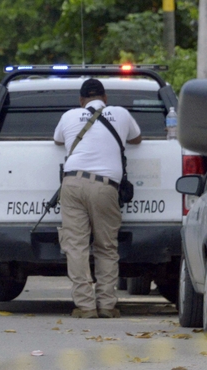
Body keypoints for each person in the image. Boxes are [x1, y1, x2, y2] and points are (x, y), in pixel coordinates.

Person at [53, 78, 142, 319]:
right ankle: (106, 305)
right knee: (106, 247)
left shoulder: (69, 115)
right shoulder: (121, 113)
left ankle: (85, 306)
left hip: (72, 183)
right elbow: (137, 139)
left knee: (76, 247)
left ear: (81, 100)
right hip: (105, 186)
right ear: (105, 98)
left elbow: (58, 140)